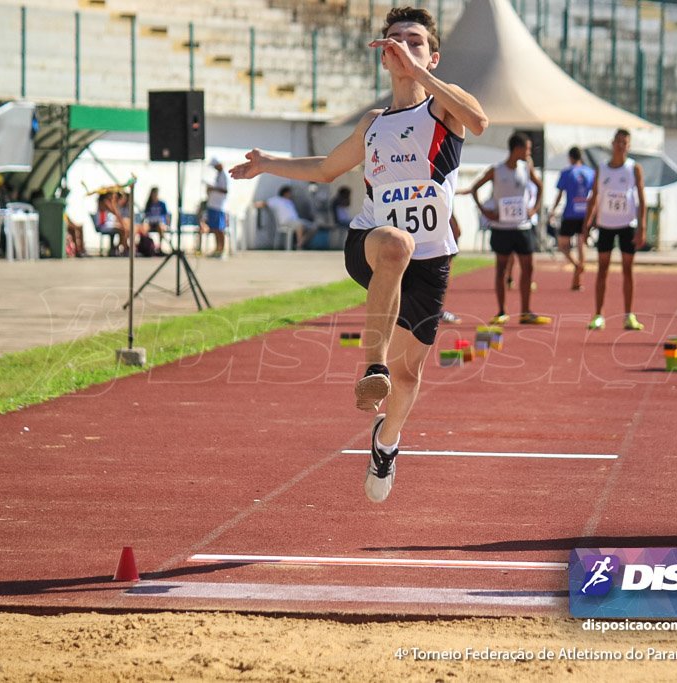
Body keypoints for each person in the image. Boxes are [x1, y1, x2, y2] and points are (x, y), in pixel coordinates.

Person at [229, 6, 487, 503]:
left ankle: (386, 443)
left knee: (412, 375)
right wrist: (267, 165)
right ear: (382, 57)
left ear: (432, 54)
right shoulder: (374, 124)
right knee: (395, 243)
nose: (403, 47)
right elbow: (327, 169)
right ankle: (374, 368)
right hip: (370, 243)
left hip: (432, 262)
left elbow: (479, 120)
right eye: (394, 41)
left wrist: (422, 75)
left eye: (414, 41)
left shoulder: (444, 110)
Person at [468, 132, 550, 325]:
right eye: (527, 149)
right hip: (502, 227)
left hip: (522, 226)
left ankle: (525, 311)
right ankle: (502, 311)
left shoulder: (526, 168)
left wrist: (534, 209)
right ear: (517, 149)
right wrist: (485, 212)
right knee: (502, 269)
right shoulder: (496, 170)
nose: (529, 152)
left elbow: (540, 186)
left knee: (528, 268)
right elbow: (474, 188)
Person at [584, 129, 646, 331]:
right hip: (606, 225)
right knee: (602, 268)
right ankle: (599, 315)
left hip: (627, 224)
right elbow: (594, 196)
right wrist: (587, 223)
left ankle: (629, 315)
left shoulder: (633, 168)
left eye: (625, 143)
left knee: (628, 269)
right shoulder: (601, 169)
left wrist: (642, 226)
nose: (621, 146)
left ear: (629, 146)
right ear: (612, 144)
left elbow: (642, 198)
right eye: (618, 141)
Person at [550, 146, 595, 290]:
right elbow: (595, 194)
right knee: (582, 243)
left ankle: (576, 265)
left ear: (570, 157)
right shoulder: (591, 172)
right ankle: (578, 279)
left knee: (563, 244)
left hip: (570, 212)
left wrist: (553, 210)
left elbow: (560, 194)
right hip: (585, 213)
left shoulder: (567, 173)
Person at [205, 158, 229, 258]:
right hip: (213, 205)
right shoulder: (218, 175)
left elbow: (225, 190)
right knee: (215, 229)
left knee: (220, 229)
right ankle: (217, 249)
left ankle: (222, 250)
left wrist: (213, 188)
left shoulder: (224, 176)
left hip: (219, 207)